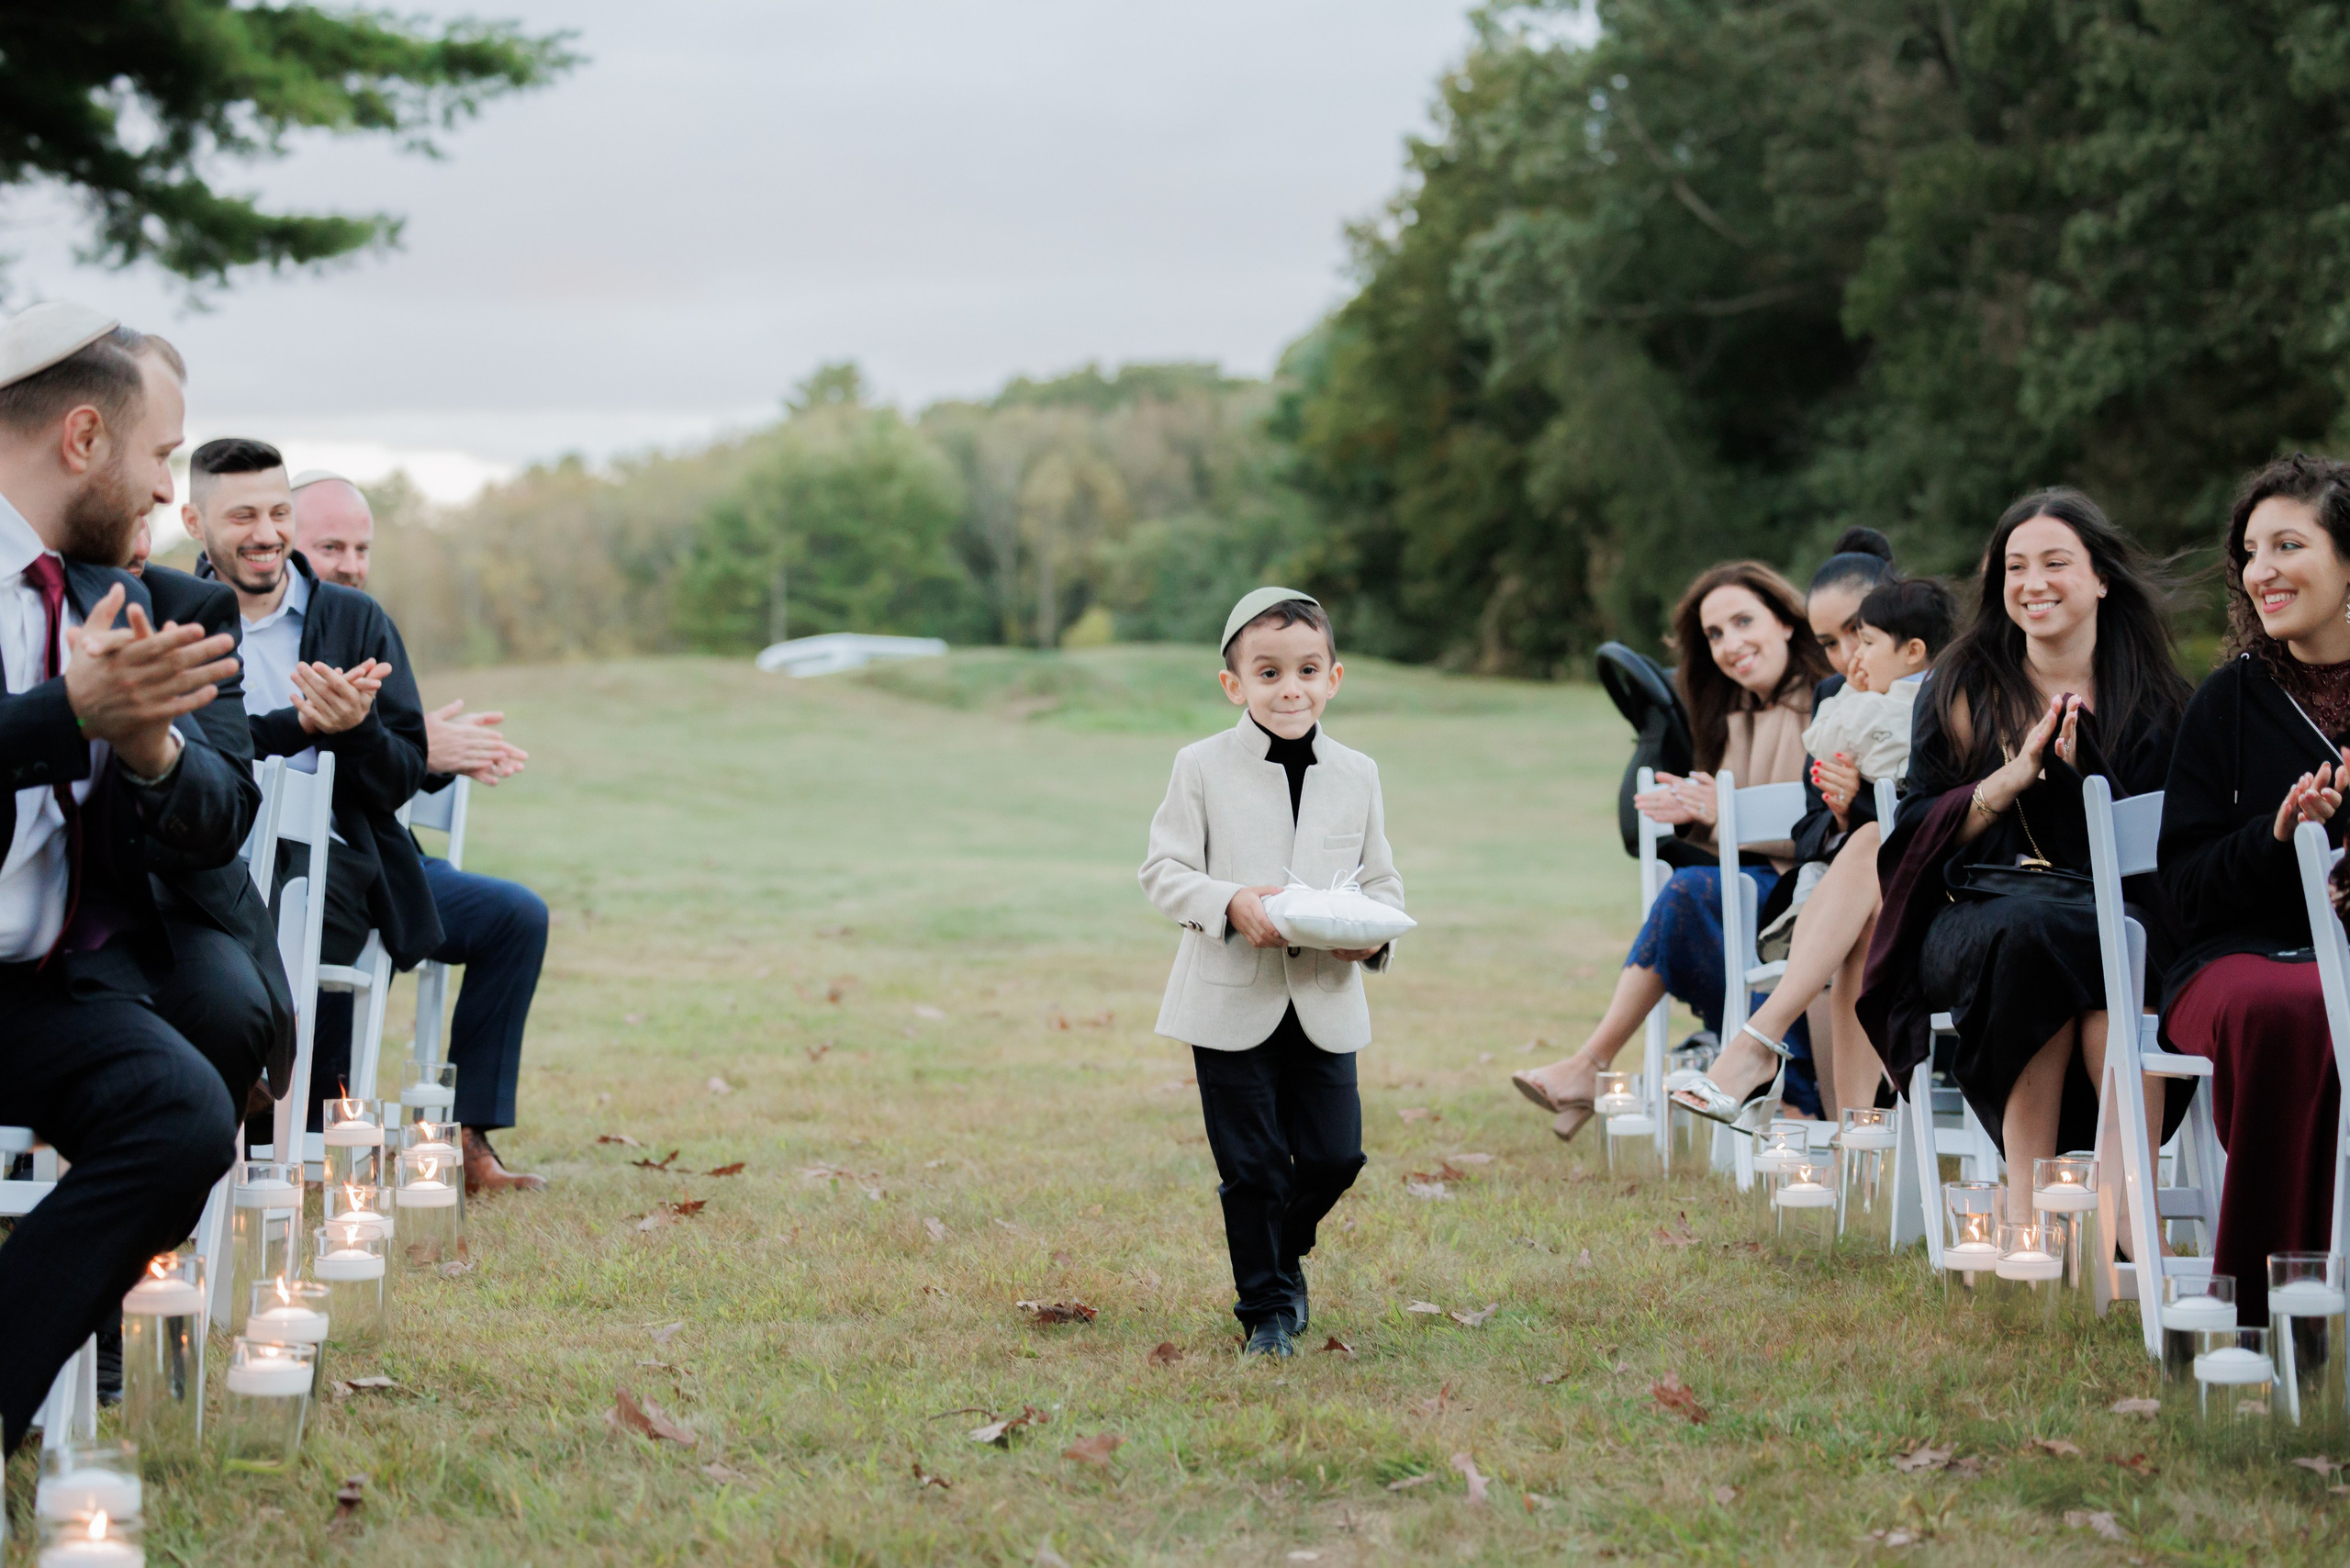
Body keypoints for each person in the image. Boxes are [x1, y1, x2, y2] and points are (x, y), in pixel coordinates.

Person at [0, 301, 246, 1452]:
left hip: (33, 988)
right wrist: (66, 714)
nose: (165, 493)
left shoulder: (124, 601)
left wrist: (147, 746)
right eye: (160, 455)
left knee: (183, 1107)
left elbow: (213, 822)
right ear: (84, 439)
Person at [1860, 488, 2190, 1223]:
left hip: (2118, 922)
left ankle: (2117, 1210)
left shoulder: (2158, 699)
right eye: (2015, 567)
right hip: (1978, 916)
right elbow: (1910, 837)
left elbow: (2170, 848)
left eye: (2054, 563)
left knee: (2107, 949)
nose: (2032, 583)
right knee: (2040, 935)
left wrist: (2087, 780)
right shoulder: (1960, 684)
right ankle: (2024, 1208)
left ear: (2101, 575)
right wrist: (2005, 784)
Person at [1139, 588, 1403, 1358]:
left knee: (1334, 1156)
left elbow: (1381, 885)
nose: (1289, 688)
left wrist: (1370, 940)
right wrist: (1228, 902)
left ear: (1333, 678)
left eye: (1306, 671)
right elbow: (1163, 870)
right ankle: (1266, 1311)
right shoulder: (1200, 767)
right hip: (1227, 999)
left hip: (1324, 996)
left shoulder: (1358, 773)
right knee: (1251, 1165)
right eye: (1268, 673)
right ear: (1235, 684)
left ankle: (1279, 1257)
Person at [181, 440, 442, 1147]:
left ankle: (266, 1116)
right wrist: (299, 725)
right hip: (198, 856)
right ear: (194, 524)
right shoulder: (174, 614)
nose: (266, 534)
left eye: (277, 513)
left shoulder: (356, 621)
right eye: (243, 515)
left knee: (263, 910)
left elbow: (399, 775)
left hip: (325, 870)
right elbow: (202, 746)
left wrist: (354, 730)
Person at [1511, 562, 1833, 1137]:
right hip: (1762, 894)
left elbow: (1830, 824)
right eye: (1714, 634)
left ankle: (1592, 1066)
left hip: (1818, 903)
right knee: (1688, 899)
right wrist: (1700, 819)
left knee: (1690, 896)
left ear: (1785, 622)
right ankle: (1787, 1089)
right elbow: (1734, 829)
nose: (1730, 645)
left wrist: (1720, 815)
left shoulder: (1828, 700)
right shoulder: (1734, 717)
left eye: (1743, 622)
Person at [291, 470, 546, 1192]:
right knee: (324, 917)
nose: (349, 562)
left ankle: (466, 1137)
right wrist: (421, 748)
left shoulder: (367, 624)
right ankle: (315, 1132)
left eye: (361, 547)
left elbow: (399, 753)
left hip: (385, 857)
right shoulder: (264, 626)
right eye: (330, 544)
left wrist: (427, 754)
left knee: (515, 916)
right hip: (309, 863)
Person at [2158, 454, 2350, 1325]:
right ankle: (2271, 1314)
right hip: (2237, 961)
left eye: (2286, 545)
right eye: (2249, 552)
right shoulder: (2229, 702)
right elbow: (2184, 893)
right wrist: (2277, 838)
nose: (2259, 570)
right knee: (2299, 1006)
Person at [1683, 575, 1957, 1123]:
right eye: (1831, 642)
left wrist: (1861, 806)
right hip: (1856, 886)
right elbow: (1810, 826)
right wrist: (1842, 808)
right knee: (1858, 904)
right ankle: (1851, 1134)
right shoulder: (1837, 697)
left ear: (1910, 647)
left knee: (1871, 848)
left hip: (1937, 881)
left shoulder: (1948, 691)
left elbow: (1940, 791)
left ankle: (1761, 1047)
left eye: (1860, 638)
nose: (1847, 656)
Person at [111, 512, 294, 1114]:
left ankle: (187, 1168)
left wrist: (152, 747)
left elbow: (224, 805)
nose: (141, 543)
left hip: (174, 897)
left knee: (227, 1003)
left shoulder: (189, 608)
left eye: (146, 520)